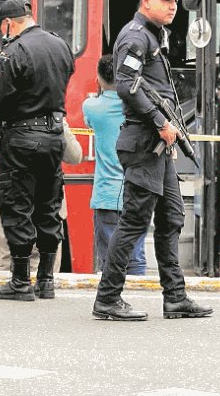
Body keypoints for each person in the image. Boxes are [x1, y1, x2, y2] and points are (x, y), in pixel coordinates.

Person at [92, 0, 212, 321]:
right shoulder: (134, 36)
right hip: (145, 142)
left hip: (157, 146)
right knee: (133, 222)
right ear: (146, 1)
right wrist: (161, 123)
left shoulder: (152, 36)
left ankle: (175, 297)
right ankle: (107, 298)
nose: (173, 5)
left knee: (172, 217)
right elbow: (127, 86)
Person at [0, 0, 74, 302]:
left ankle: (20, 281)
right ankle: (46, 280)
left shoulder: (15, 50)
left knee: (17, 205)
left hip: (21, 137)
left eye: (2, 28)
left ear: (9, 23)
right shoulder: (60, 45)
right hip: (54, 135)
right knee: (48, 206)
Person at [0, 110, 81, 276]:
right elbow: (75, 156)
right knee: (45, 268)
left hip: (9, 201)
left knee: (8, 266)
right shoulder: (53, 116)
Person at [83, 55, 147, 275]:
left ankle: (110, 300)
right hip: (137, 193)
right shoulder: (139, 107)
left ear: (99, 79)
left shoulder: (92, 107)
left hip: (106, 195)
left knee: (109, 259)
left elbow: (88, 120)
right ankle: (138, 297)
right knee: (136, 257)